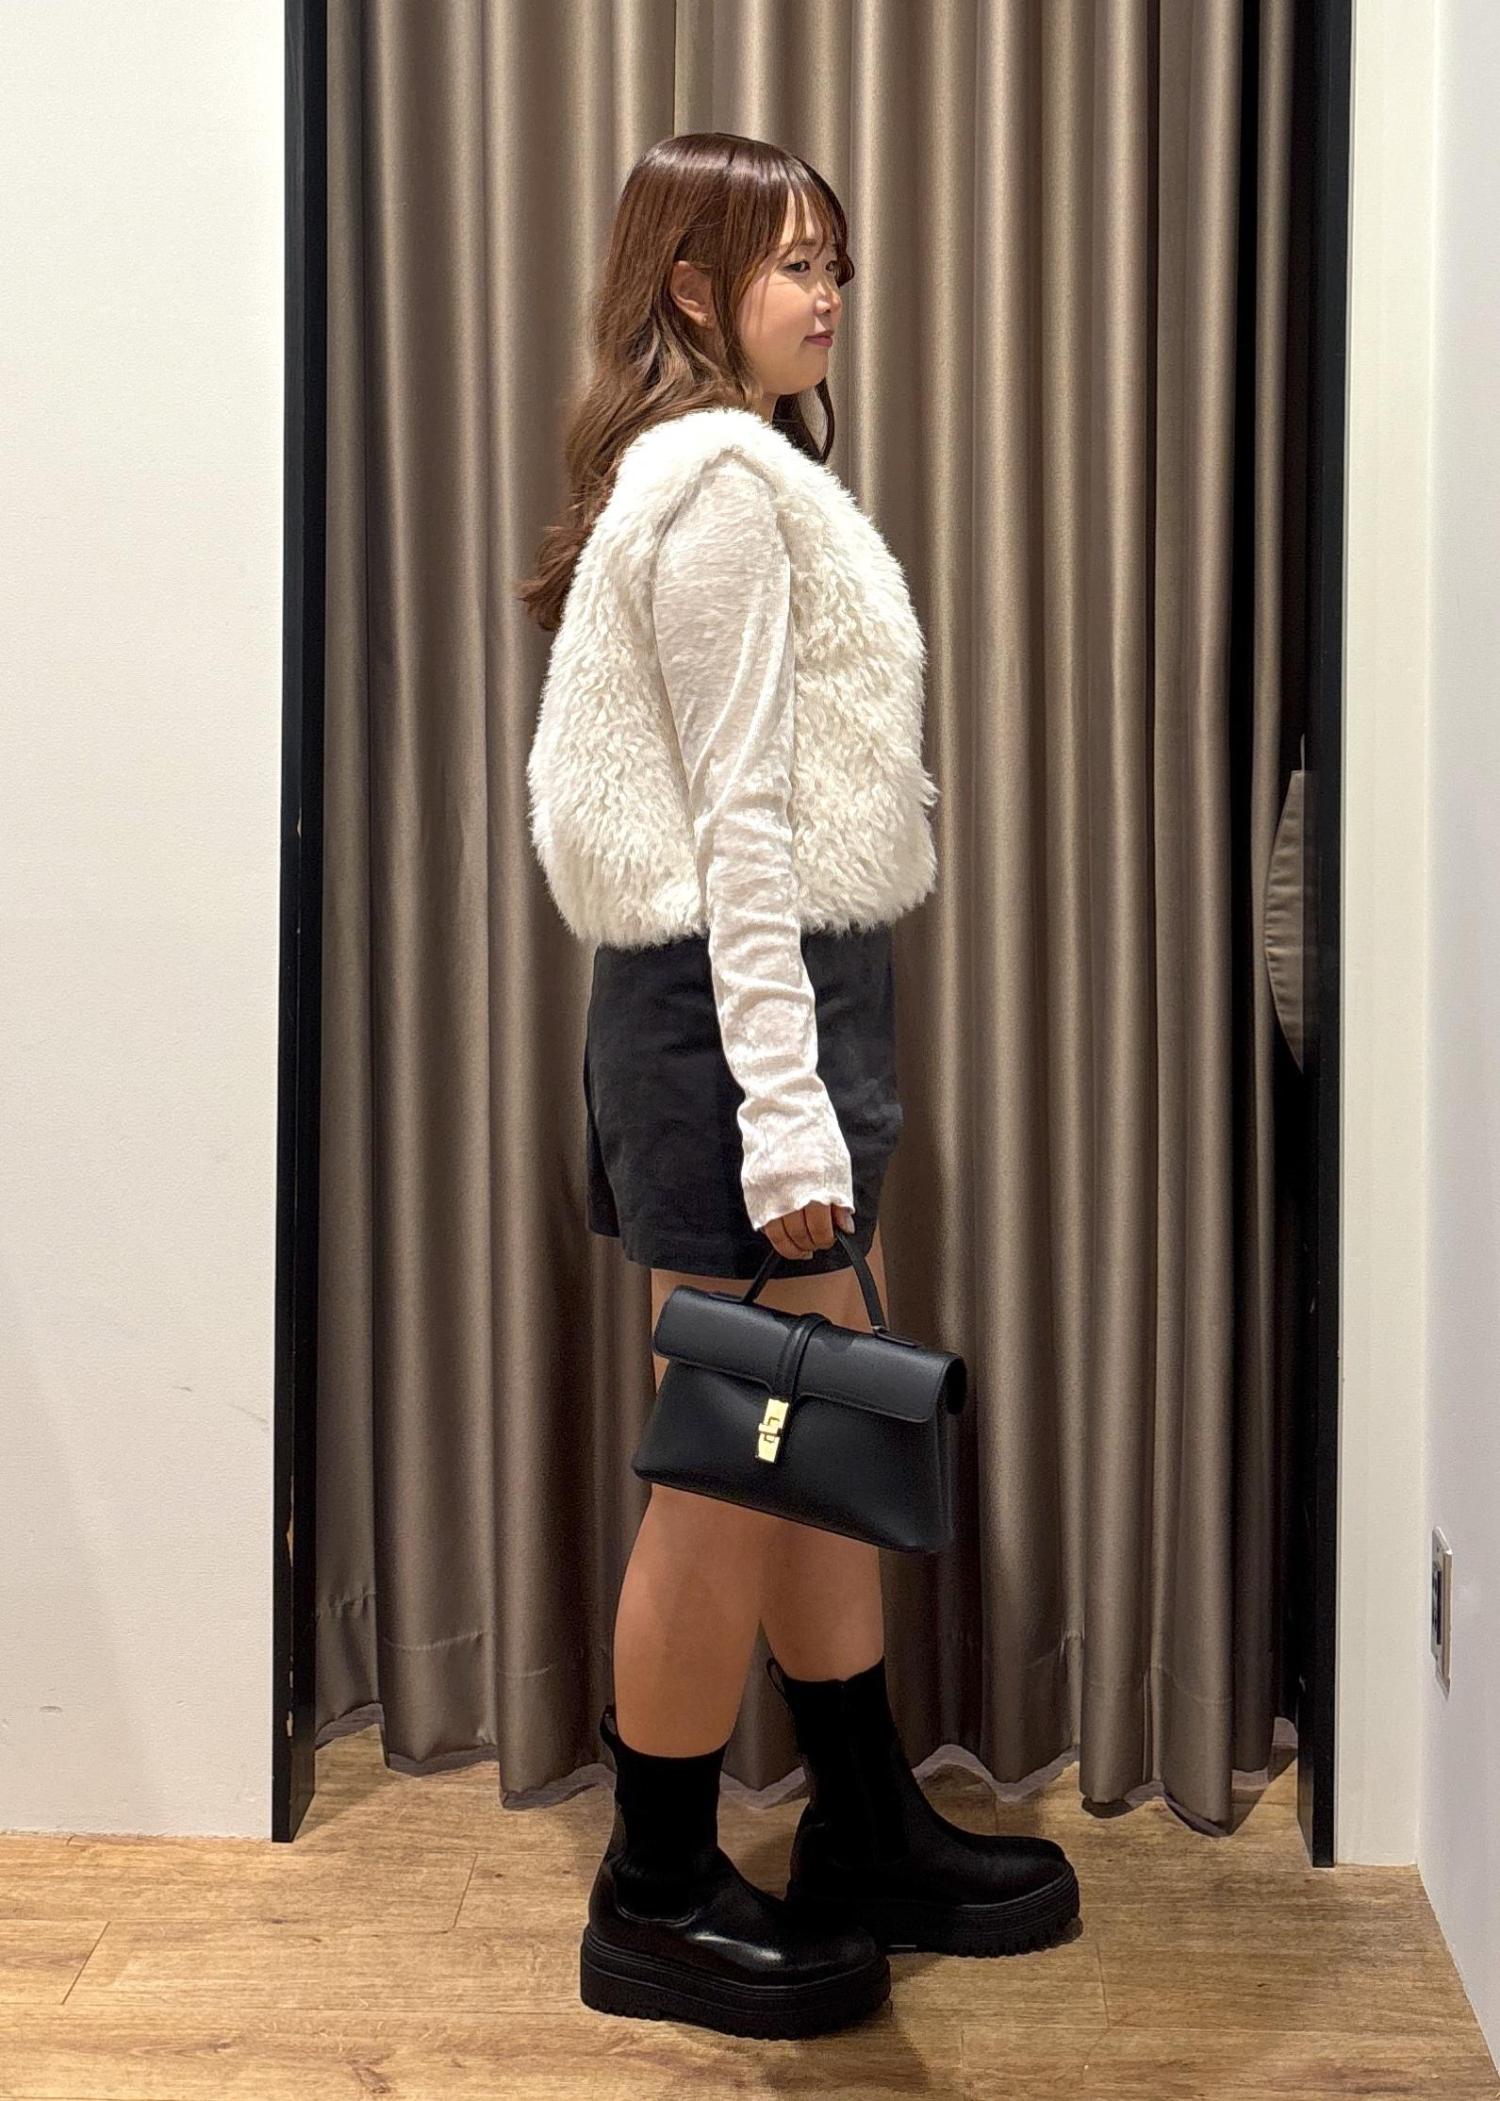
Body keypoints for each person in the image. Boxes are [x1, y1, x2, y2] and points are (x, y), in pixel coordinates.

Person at [519, 131, 1078, 2042]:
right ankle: (656, 1891)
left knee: (813, 1439)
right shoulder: (721, 492)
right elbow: (739, 833)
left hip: (776, 1013)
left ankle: (861, 1824)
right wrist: (785, 1119)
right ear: (692, 287)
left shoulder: (747, 473)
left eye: (836, 261)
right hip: (732, 1024)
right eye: (790, 265)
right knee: (727, 1474)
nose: (827, 295)